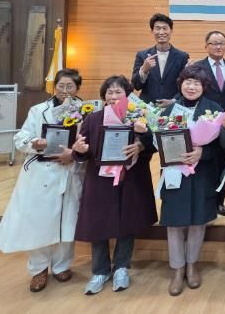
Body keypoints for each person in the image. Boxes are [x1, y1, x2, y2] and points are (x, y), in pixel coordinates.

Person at [0, 69, 86, 293]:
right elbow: (20, 138)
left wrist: (75, 153)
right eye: (61, 86)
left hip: (70, 169)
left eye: (70, 86)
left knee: (68, 218)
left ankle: (62, 266)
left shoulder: (86, 111)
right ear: (54, 86)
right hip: (42, 171)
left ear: (77, 88)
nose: (65, 90)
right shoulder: (38, 110)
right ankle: (39, 269)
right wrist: (35, 142)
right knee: (39, 220)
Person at [72, 75, 157, 295]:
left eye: (118, 92)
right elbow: (82, 150)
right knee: (98, 222)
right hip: (99, 179)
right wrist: (79, 151)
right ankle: (100, 271)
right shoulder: (93, 119)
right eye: (109, 92)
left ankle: (121, 267)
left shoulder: (138, 116)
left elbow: (153, 144)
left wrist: (141, 145)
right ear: (104, 96)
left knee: (127, 221)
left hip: (131, 178)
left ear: (127, 95)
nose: (113, 96)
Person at [159, 66, 225, 296]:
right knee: (174, 223)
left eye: (197, 83)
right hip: (175, 173)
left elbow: (224, 146)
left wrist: (203, 152)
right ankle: (177, 269)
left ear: (204, 87)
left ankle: (192, 264)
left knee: (198, 222)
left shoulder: (214, 109)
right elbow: (159, 141)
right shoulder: (169, 109)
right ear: (180, 84)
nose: (191, 87)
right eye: (188, 82)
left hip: (202, 173)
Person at [191, 30, 225, 216]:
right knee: (205, 165)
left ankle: (219, 201)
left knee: (223, 163)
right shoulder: (197, 67)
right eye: (214, 43)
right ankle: (204, 201)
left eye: (222, 43)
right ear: (206, 46)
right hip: (204, 125)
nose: (218, 46)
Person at [131, 13, 189, 108]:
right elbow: (136, 86)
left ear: (171, 31)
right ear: (152, 31)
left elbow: (185, 84)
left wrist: (173, 101)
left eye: (165, 28)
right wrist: (144, 70)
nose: (161, 32)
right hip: (146, 108)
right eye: (157, 28)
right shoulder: (142, 55)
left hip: (172, 108)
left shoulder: (182, 56)